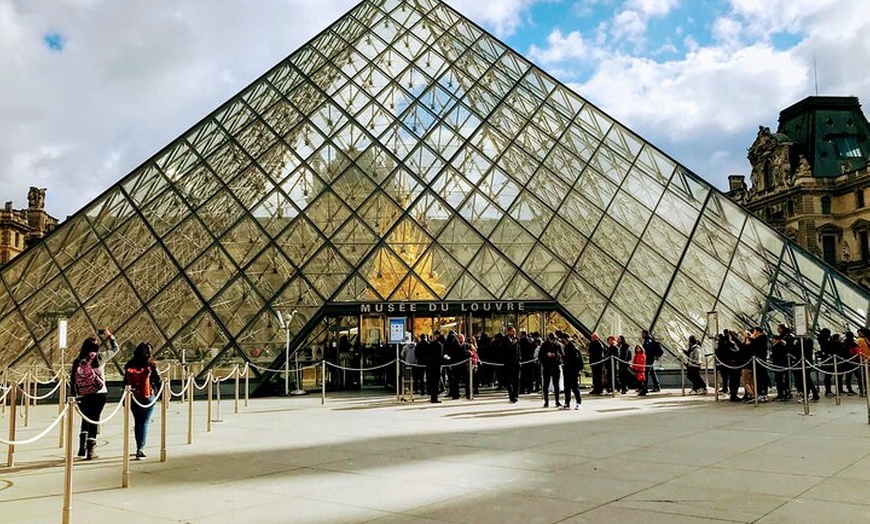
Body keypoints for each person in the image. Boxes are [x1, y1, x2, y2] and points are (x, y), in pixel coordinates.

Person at [70, 327, 119, 460]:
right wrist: (109, 336)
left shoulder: (78, 361)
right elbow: (115, 349)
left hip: (83, 394)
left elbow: (72, 379)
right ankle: (91, 450)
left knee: (85, 419)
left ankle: (81, 447)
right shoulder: (99, 357)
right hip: (99, 393)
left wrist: (74, 395)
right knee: (94, 419)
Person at [124, 342, 163, 459]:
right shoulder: (151, 365)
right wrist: (162, 396)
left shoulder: (129, 365)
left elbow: (125, 382)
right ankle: (140, 448)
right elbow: (158, 381)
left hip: (133, 397)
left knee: (138, 422)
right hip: (148, 397)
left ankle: (139, 446)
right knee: (144, 422)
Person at [539, 332, 562, 408]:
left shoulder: (557, 345)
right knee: (546, 384)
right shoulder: (544, 345)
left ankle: (557, 401)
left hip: (555, 366)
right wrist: (546, 355)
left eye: (554, 339)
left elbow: (561, 354)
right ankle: (546, 401)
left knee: (556, 384)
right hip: (547, 366)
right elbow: (540, 356)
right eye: (551, 339)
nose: (553, 341)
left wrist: (555, 355)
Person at [561, 333, 583, 409]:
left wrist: (577, 370)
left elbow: (576, 360)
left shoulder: (573, 348)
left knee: (574, 387)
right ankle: (567, 403)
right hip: (568, 370)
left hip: (572, 371)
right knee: (567, 387)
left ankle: (578, 402)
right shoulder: (567, 347)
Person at [501, 326, 521, 403]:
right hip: (508, 363)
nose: (514, 333)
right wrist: (511, 345)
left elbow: (519, 350)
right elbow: (503, 351)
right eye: (512, 331)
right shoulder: (504, 340)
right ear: (509, 332)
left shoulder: (517, 339)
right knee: (509, 380)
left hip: (516, 362)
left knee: (516, 380)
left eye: (514, 331)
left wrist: (519, 359)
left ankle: (516, 395)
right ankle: (511, 395)